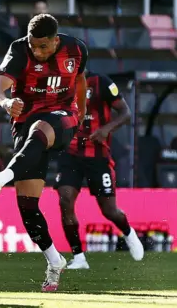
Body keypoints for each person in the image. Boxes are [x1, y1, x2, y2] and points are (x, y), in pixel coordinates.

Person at [0, 14, 88, 292]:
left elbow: (80, 79)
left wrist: (81, 112)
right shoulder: (19, 49)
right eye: (34, 46)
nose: (37, 52)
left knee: (41, 126)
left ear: (56, 40)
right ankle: (54, 260)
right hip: (25, 125)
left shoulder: (77, 49)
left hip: (62, 117)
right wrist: (5, 100)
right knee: (27, 207)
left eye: (43, 47)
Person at [55, 70, 144, 269]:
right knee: (65, 199)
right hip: (70, 154)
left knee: (109, 210)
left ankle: (129, 233)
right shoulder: (59, 84)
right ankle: (78, 257)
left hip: (97, 155)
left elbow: (126, 113)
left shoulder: (101, 82)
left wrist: (106, 129)